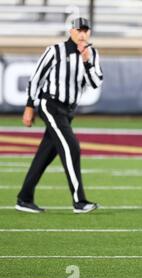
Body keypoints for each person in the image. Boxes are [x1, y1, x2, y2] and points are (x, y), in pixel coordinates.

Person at [15, 17, 103, 214]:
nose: (82, 34)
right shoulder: (55, 51)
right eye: (78, 30)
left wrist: (87, 61)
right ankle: (79, 201)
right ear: (70, 31)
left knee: (44, 155)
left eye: (85, 31)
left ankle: (24, 198)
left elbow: (95, 83)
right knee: (72, 147)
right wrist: (30, 106)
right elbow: (36, 78)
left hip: (68, 110)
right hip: (50, 104)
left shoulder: (92, 54)